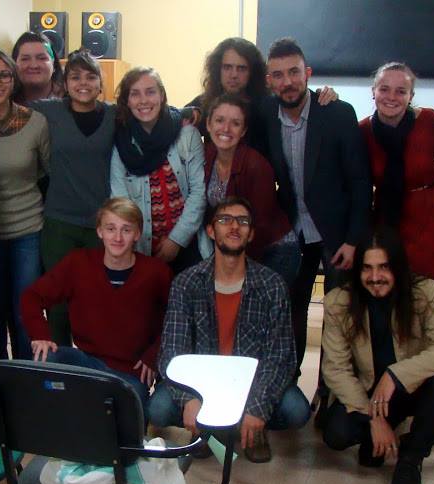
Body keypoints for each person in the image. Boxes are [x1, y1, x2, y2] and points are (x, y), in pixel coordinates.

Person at [149, 197, 310, 464]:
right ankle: (208, 427)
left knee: (297, 411)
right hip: (202, 382)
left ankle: (252, 427)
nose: (234, 227)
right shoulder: (187, 283)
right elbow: (172, 351)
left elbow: (281, 357)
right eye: (225, 220)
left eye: (242, 221)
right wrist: (189, 398)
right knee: (159, 408)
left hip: (250, 383)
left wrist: (258, 407)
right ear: (211, 231)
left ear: (251, 234)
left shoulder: (272, 285)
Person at [321, 227, 434, 484]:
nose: (375, 277)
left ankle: (411, 459)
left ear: (397, 266)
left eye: (384, 267)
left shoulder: (424, 292)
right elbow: (334, 369)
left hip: (409, 388)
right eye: (367, 269)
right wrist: (375, 418)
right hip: (367, 392)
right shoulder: (338, 302)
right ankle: (382, 431)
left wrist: (394, 375)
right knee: (335, 434)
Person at [262, 37, 371, 385]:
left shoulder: (336, 112)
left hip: (336, 235)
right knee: (292, 312)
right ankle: (288, 384)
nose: (287, 81)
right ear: (269, 81)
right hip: (292, 233)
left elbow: (359, 183)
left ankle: (331, 389)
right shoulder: (264, 114)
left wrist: (354, 240)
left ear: (307, 73)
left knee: (338, 316)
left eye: (294, 72)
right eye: (278, 75)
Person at [21, 197, 172, 412]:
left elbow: (175, 321)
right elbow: (31, 296)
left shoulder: (156, 272)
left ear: (137, 234)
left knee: (125, 414)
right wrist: (40, 334)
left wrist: (153, 355)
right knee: (45, 359)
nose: (117, 237)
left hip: (129, 372)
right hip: (85, 361)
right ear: (99, 231)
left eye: (126, 230)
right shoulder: (78, 263)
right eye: (110, 229)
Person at [30, 49, 116, 347]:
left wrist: (187, 113)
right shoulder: (49, 112)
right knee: (59, 302)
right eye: (75, 76)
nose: (83, 83)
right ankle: (62, 366)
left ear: (100, 83)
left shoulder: (115, 115)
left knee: (99, 298)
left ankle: (98, 366)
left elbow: (160, 111)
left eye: (90, 76)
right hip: (59, 223)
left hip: (100, 225)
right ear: (64, 83)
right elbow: (7, 109)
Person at [0, 49, 50, 361]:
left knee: (24, 313)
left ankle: (24, 380)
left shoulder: (36, 123)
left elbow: (48, 172)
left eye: (3, 74)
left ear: (13, 78)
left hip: (27, 230)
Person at [359, 62, 434, 288]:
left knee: (426, 293)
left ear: (411, 95)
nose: (392, 97)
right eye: (384, 89)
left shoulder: (429, 121)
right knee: (390, 289)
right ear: (373, 92)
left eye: (401, 91)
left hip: (429, 220)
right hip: (387, 222)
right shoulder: (362, 132)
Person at [201, 93, 299, 297]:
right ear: (208, 124)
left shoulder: (257, 165)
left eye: (235, 123)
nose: (226, 129)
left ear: (243, 130)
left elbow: (259, 225)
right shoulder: (204, 155)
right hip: (235, 246)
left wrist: (234, 265)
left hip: (273, 250)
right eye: (219, 120)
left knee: (259, 315)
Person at [111, 67, 207, 274]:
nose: (143, 100)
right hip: (140, 248)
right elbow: (120, 200)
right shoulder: (121, 142)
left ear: (162, 96)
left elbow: (199, 192)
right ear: (127, 101)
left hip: (187, 244)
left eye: (150, 91)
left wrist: (176, 240)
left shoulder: (187, 134)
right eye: (135, 94)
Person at [186, 37, 337, 154]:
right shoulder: (205, 102)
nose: (233, 75)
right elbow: (173, 119)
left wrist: (325, 95)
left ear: (253, 72)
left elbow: (299, 104)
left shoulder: (269, 105)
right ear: (217, 69)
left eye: (241, 68)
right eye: (227, 67)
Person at [11, 31, 65, 105]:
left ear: (54, 64)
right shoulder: (5, 101)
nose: (34, 65)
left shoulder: (72, 99)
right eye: (25, 59)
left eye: (42, 58)